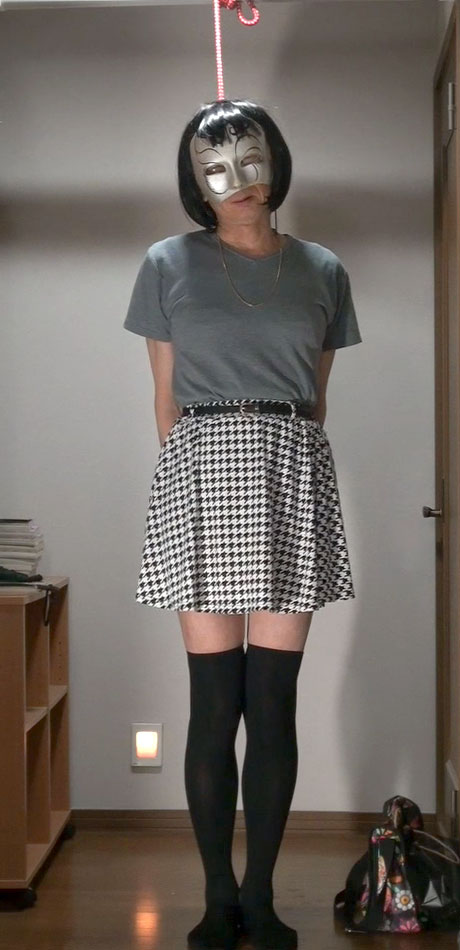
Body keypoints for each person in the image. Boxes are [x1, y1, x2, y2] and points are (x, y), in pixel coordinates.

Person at [123, 98, 362, 950]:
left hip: (292, 470)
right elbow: (164, 402)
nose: (238, 180)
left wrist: (274, 456)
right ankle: (216, 897)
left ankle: (260, 895)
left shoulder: (324, 269)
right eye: (215, 166)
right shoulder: (167, 262)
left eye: (251, 158)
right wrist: (205, 477)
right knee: (214, 702)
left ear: (276, 161)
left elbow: (316, 398)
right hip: (201, 472)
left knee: (274, 701)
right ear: (195, 180)